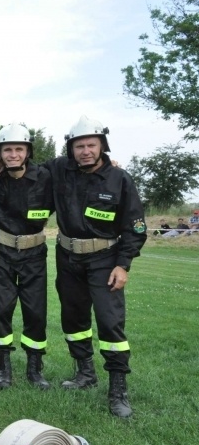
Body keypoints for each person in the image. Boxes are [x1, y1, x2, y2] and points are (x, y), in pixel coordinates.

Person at [47, 115, 146, 418]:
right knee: (74, 320)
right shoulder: (59, 170)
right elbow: (21, 168)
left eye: (91, 144)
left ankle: (118, 390)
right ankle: (85, 374)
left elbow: (135, 227)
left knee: (109, 322)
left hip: (105, 260)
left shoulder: (120, 179)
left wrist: (123, 265)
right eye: (79, 145)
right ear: (71, 148)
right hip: (67, 257)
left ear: (102, 145)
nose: (85, 150)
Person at [0, 123, 53, 389]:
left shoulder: (46, 176)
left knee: (35, 311)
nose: (13, 154)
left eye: (18, 149)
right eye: (7, 149)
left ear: (28, 151)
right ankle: (3, 368)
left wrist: (107, 159)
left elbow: (73, 165)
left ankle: (35, 369)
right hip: (2, 252)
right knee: (1, 310)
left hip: (35, 253)